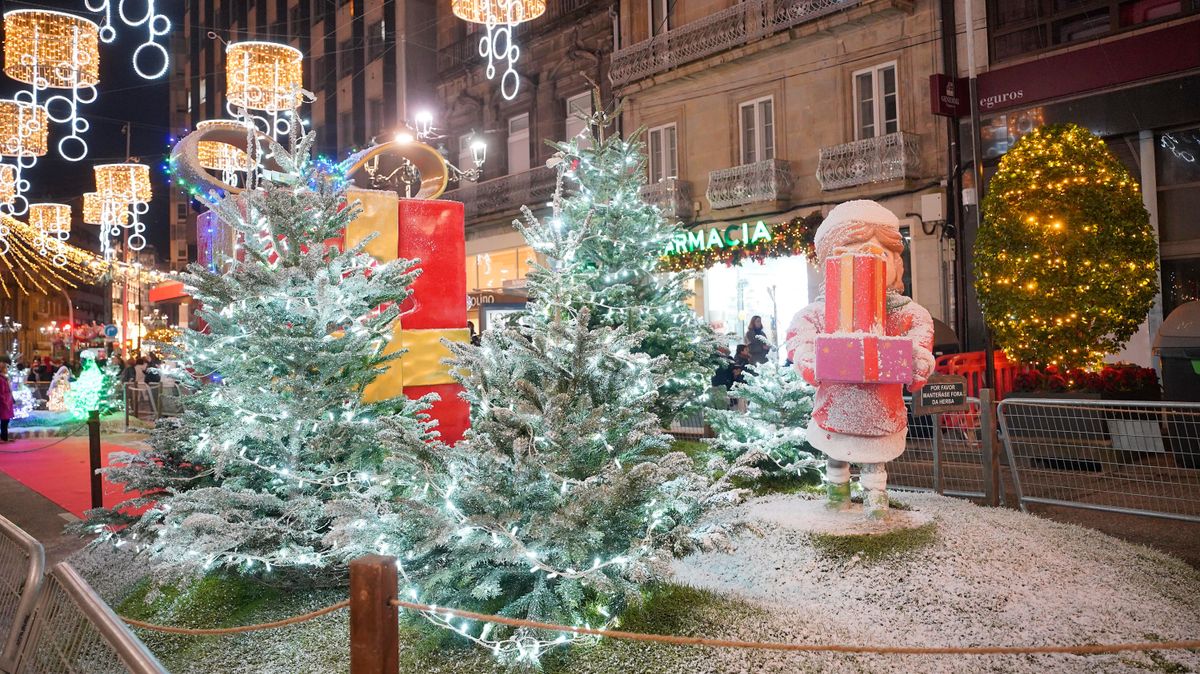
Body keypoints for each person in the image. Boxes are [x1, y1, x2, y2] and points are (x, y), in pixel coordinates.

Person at [785, 200, 935, 518]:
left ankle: (875, 501)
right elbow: (801, 336)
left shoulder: (905, 313)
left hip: (881, 406)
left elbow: (919, 341)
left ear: (896, 261)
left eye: (880, 254)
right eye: (854, 254)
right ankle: (837, 496)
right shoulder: (821, 312)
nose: (867, 262)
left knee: (874, 459)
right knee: (836, 455)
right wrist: (809, 357)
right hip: (836, 405)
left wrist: (918, 359)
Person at [0, 359, 13, 442]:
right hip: (3, 403)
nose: (7, 369)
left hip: (7, 401)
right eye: (6, 368)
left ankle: (4, 437)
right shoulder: (1, 379)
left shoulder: (4, 378)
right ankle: (4, 438)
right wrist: (5, 403)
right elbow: (1, 392)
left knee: (6, 420)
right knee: (4, 421)